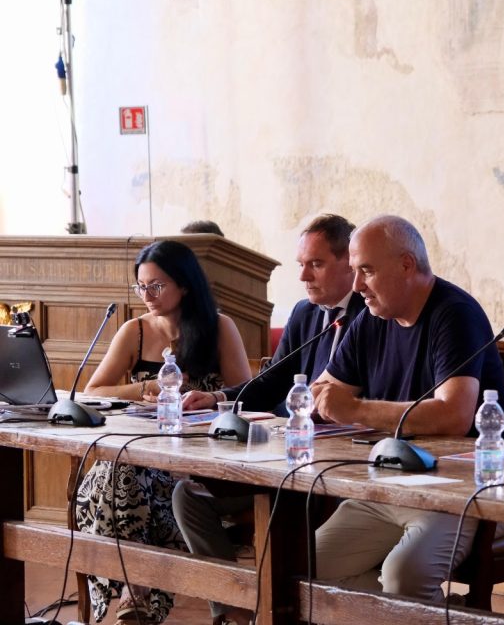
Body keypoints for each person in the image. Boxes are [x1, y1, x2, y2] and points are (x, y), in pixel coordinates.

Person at [311, 214, 504, 602]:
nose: (357, 286)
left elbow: (454, 416)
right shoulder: (372, 316)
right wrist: (324, 401)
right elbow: (324, 390)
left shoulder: (454, 313)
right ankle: (441, 613)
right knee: (305, 566)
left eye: (366, 271)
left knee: (403, 575)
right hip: (388, 486)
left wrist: (354, 409)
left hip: (462, 490)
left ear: (407, 265)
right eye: (355, 272)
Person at [172, 213, 363, 625]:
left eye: (315, 264)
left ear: (350, 262)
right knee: (188, 496)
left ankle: (283, 611)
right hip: (288, 450)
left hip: (337, 459)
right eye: (300, 264)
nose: (304, 276)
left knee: (283, 506)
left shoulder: (374, 312)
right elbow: (275, 379)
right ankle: (235, 615)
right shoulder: (305, 313)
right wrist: (220, 397)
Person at [75, 240, 251, 625]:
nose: (147, 295)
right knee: (118, 470)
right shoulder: (134, 331)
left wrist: (210, 398)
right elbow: (92, 391)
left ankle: (135, 593)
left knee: (120, 474)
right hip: (140, 454)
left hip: (197, 464)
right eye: (141, 286)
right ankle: (135, 591)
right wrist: (146, 389)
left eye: (157, 285)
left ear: (184, 285)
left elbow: (247, 398)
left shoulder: (220, 327)